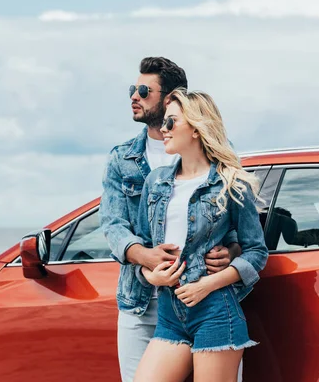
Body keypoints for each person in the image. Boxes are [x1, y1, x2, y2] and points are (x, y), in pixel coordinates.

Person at [98, 57, 242, 382]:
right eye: (132, 89)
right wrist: (145, 257)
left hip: (203, 297)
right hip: (140, 300)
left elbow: (237, 222)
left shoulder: (218, 154)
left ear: (169, 98)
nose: (134, 96)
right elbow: (112, 225)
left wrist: (230, 251)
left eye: (144, 90)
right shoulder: (122, 159)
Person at [133, 89, 269, 382]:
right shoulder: (155, 182)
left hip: (215, 312)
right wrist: (151, 276)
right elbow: (144, 248)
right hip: (169, 315)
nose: (163, 130)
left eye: (171, 123)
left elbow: (257, 253)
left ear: (195, 128)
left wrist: (206, 285)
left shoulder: (231, 183)